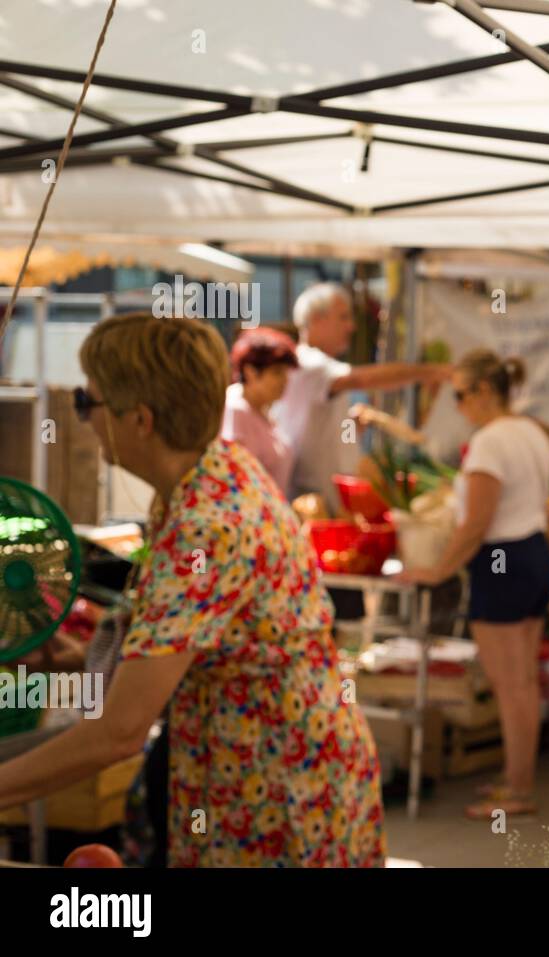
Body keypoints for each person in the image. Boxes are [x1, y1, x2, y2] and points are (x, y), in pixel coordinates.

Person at [0, 313, 386, 867]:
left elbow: (119, 732)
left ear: (140, 419)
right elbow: (187, 646)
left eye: (88, 404)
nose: (81, 420)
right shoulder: (214, 469)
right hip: (269, 771)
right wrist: (79, 662)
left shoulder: (203, 526)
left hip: (277, 796)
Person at [400, 349, 549, 819]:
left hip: (503, 560)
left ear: (485, 391)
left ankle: (519, 790)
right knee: (522, 681)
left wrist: (437, 571)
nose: (459, 404)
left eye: (462, 395)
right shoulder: (531, 432)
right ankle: (516, 779)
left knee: (511, 686)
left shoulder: (490, 442)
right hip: (532, 554)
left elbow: (476, 525)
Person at [274, 282, 447, 513]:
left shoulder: (322, 367)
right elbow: (361, 379)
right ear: (317, 319)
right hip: (316, 504)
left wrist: (352, 430)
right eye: (343, 317)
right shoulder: (310, 363)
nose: (352, 327)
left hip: (332, 502)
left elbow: (325, 433)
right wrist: (429, 372)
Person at [221, 327, 298, 495]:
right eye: (277, 373)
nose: (285, 380)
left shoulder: (263, 409)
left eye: (286, 372)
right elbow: (237, 479)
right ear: (250, 372)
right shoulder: (236, 410)